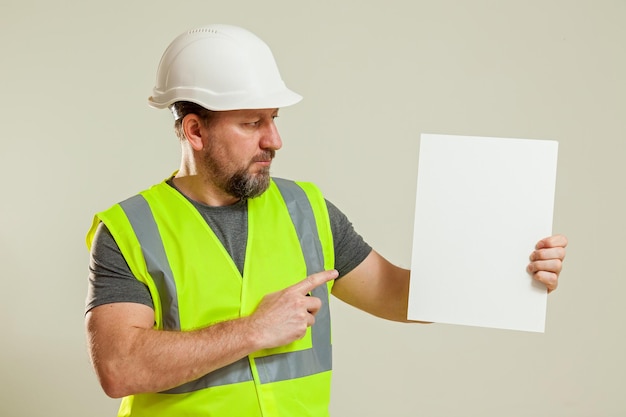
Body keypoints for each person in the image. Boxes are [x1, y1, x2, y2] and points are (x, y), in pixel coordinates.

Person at [84, 24, 568, 417]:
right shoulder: (129, 228)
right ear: (195, 131)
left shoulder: (306, 210)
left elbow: (398, 295)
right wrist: (255, 329)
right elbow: (119, 367)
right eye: (252, 123)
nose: (274, 140)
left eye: (274, 119)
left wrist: (510, 273)